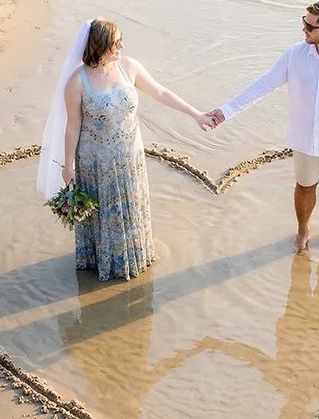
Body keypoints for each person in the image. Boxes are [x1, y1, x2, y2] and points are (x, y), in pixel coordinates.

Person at [37, 19, 214, 281]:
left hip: (130, 157)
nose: (121, 45)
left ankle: (134, 256)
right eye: (115, 42)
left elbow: (161, 92)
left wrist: (195, 113)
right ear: (99, 46)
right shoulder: (77, 82)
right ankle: (106, 266)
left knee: (130, 208)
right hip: (96, 162)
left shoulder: (128, 67)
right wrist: (68, 166)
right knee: (105, 215)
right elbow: (72, 126)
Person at [208, 0, 319, 254]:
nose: (304, 30)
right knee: (304, 186)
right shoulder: (294, 55)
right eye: (303, 22)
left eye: (309, 26)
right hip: (304, 139)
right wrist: (226, 111)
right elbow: (263, 85)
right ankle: (303, 231)